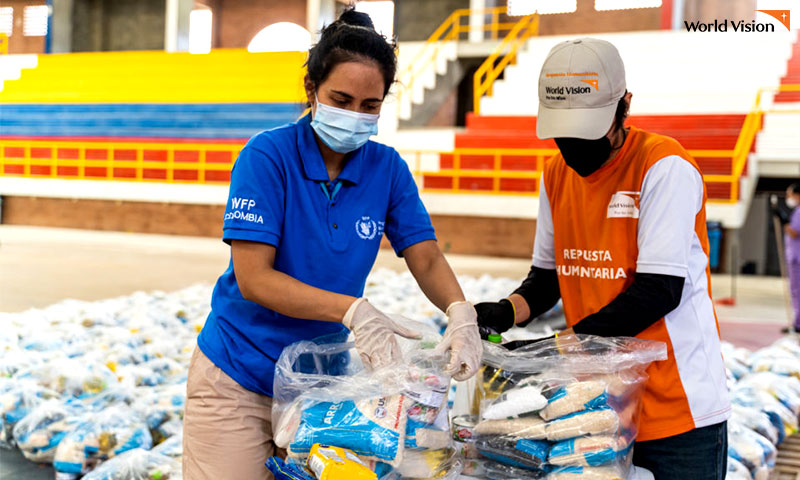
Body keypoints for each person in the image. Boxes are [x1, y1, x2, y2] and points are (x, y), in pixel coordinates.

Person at [182, 9, 481, 480]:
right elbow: (254, 278)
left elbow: (425, 255)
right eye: (341, 99)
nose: (355, 115)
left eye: (370, 105)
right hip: (238, 373)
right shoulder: (268, 157)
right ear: (311, 90)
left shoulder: (386, 169)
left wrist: (461, 313)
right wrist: (354, 312)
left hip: (317, 382)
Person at [474, 38, 730, 479]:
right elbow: (547, 279)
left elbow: (658, 292)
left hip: (675, 414)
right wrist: (504, 312)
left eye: (587, 131)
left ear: (624, 107)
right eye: (563, 133)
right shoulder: (556, 174)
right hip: (596, 409)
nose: (573, 146)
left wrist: (550, 349)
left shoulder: (663, 167)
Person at [782, 183, 800, 333]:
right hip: (795, 256)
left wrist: (784, 222)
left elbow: (794, 232)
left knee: (797, 290)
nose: (789, 198)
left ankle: (798, 324)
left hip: (797, 258)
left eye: (790, 195)